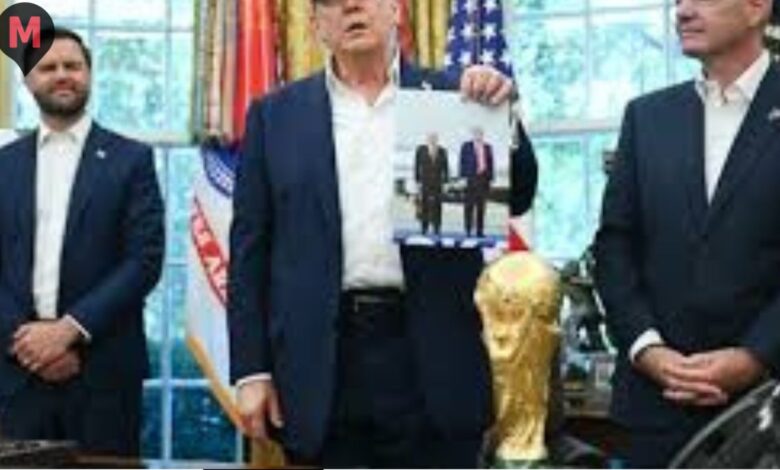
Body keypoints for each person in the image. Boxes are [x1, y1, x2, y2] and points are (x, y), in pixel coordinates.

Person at [227, 0, 536, 466]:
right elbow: (249, 252)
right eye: (332, 2)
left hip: (433, 359)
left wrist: (503, 118)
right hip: (322, 363)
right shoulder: (275, 117)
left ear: (396, 10)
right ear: (316, 25)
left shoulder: (455, 98)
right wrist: (251, 369)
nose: (351, 6)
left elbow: (520, 197)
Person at [594, 0, 780, 466]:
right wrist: (647, 348)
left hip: (767, 409)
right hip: (654, 409)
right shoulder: (647, 117)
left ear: (757, 8)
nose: (682, 11)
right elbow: (614, 248)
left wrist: (756, 356)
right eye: (678, 0)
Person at [0, 28, 164, 456]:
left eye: (72, 66)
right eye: (48, 67)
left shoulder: (132, 160)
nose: (62, 75)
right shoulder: (3, 165)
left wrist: (68, 331)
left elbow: (144, 261)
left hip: (103, 374)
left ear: (89, 74)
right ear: (28, 80)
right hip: (17, 373)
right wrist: (29, 345)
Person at [459, 126, 494, 237]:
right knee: (469, 206)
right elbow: (462, 162)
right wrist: (463, 178)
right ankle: (468, 230)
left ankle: (480, 231)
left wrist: (490, 179)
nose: (478, 136)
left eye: (480, 134)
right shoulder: (466, 146)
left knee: (481, 207)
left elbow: (491, 163)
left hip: (483, 180)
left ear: (482, 135)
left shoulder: (488, 147)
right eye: (476, 133)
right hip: (470, 180)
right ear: (473, 135)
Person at [414, 132, 449, 235]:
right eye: (430, 138)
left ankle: (437, 227)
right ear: (427, 139)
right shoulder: (421, 150)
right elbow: (416, 166)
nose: (432, 140)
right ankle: (424, 227)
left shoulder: (442, 151)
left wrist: (446, 182)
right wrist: (417, 181)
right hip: (425, 181)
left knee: (437, 205)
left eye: (434, 138)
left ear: (437, 140)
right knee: (424, 205)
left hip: (438, 182)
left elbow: (446, 168)